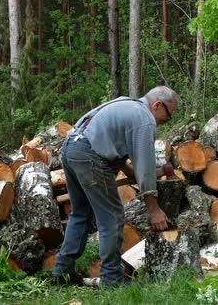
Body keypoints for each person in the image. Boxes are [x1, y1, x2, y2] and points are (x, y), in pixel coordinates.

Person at [52, 86, 179, 287]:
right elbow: (145, 168)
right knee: (111, 217)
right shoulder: (144, 118)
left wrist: (128, 170)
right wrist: (154, 210)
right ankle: (111, 279)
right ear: (157, 105)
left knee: (81, 214)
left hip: (71, 149)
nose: (165, 121)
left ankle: (62, 272)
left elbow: (110, 141)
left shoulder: (125, 103)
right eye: (167, 116)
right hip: (90, 155)